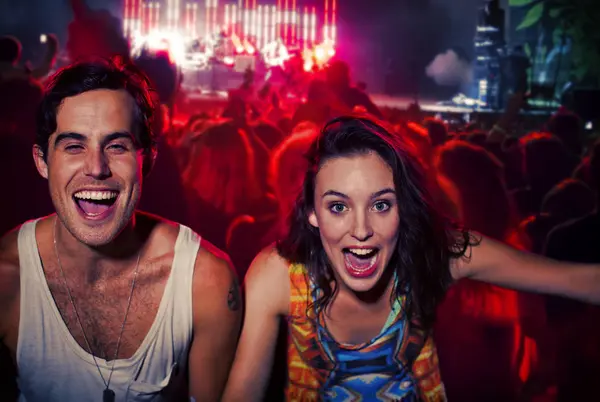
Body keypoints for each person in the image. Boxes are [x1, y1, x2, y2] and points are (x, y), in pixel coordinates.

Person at [222, 115, 600, 401]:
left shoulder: (439, 252)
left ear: (404, 210)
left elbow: (577, 280)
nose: (361, 229)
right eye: (338, 207)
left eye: (381, 204)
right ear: (312, 214)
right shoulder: (278, 273)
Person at [0, 57, 242, 402]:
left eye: (117, 146)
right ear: (42, 161)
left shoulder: (205, 281)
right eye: (73, 146)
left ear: (149, 159)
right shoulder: (8, 277)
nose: (96, 168)